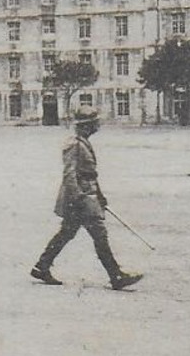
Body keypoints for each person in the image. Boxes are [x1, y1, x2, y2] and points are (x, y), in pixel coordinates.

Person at [31, 108, 144, 290]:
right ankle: (115, 275)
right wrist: (79, 198)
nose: (98, 126)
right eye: (95, 123)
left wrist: (100, 195)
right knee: (99, 235)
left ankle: (41, 266)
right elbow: (69, 174)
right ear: (86, 126)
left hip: (87, 196)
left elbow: (90, 174)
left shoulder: (83, 143)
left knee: (66, 233)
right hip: (81, 199)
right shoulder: (74, 144)